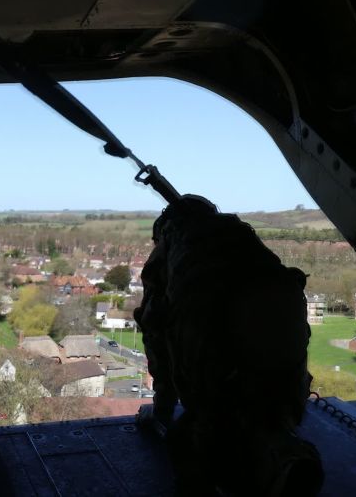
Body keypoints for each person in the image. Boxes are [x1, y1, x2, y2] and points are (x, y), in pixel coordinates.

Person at [134, 195, 323, 496]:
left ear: (162, 232)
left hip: (213, 320)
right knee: (273, 405)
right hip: (283, 313)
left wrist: (161, 411)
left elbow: (156, 333)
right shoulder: (242, 236)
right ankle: (286, 455)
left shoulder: (171, 250)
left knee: (205, 426)